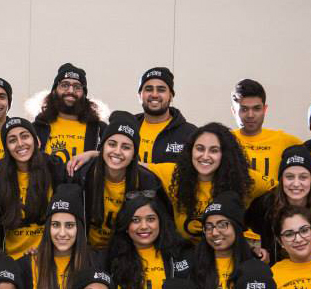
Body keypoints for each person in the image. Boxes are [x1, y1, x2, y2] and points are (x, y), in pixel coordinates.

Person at [67, 68, 197, 194]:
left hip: (170, 210)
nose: (155, 94)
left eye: (161, 89)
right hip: (130, 207)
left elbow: (191, 174)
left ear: (171, 96)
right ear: (140, 95)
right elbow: (113, 158)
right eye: (148, 89)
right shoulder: (127, 125)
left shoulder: (190, 133)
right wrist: (93, 154)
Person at [77, 111, 171, 250]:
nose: (118, 151)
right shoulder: (83, 174)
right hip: (86, 252)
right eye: (112, 144)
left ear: (134, 154)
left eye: (126, 147)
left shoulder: (147, 182)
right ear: (102, 147)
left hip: (126, 253)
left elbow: (162, 226)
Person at [169, 122, 270, 244]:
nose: (205, 156)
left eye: (214, 150)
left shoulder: (245, 179)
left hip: (229, 257)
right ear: (190, 150)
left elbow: (285, 189)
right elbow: (141, 168)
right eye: (200, 149)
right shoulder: (174, 175)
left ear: (225, 154)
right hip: (188, 257)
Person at [109, 194, 190, 289]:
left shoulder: (179, 255)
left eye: (151, 219)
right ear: (126, 226)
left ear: (160, 222)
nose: (144, 226)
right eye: (135, 220)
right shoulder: (110, 258)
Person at [246, 145, 311, 264]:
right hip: (279, 275)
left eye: (303, 177)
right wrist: (253, 251)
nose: (296, 184)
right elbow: (237, 228)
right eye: (289, 177)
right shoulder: (265, 205)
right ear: (281, 180)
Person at [18, 185, 96, 289]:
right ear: (48, 228)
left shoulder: (94, 263)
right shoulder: (27, 265)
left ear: (79, 228)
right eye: (55, 225)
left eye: (69, 225)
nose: (62, 233)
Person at [0, 117, 68, 259]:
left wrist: (92, 154)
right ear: (6, 148)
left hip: (47, 257)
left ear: (36, 141)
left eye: (25, 136)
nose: (20, 144)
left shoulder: (53, 167)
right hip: (11, 260)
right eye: (12, 140)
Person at [191, 192, 258, 289]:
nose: (214, 232)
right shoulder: (194, 264)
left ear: (236, 227)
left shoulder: (253, 266)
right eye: (208, 227)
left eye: (222, 225)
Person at [230, 79, 301, 182]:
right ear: (233, 111)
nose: (250, 115)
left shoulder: (285, 141)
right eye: (244, 109)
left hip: (274, 198)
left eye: (256, 108)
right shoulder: (225, 141)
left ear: (265, 109)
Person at [34, 63, 106, 163]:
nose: (71, 91)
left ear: (84, 94)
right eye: (65, 85)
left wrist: (93, 154)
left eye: (77, 87)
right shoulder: (38, 127)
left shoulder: (100, 129)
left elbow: (114, 156)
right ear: (54, 91)